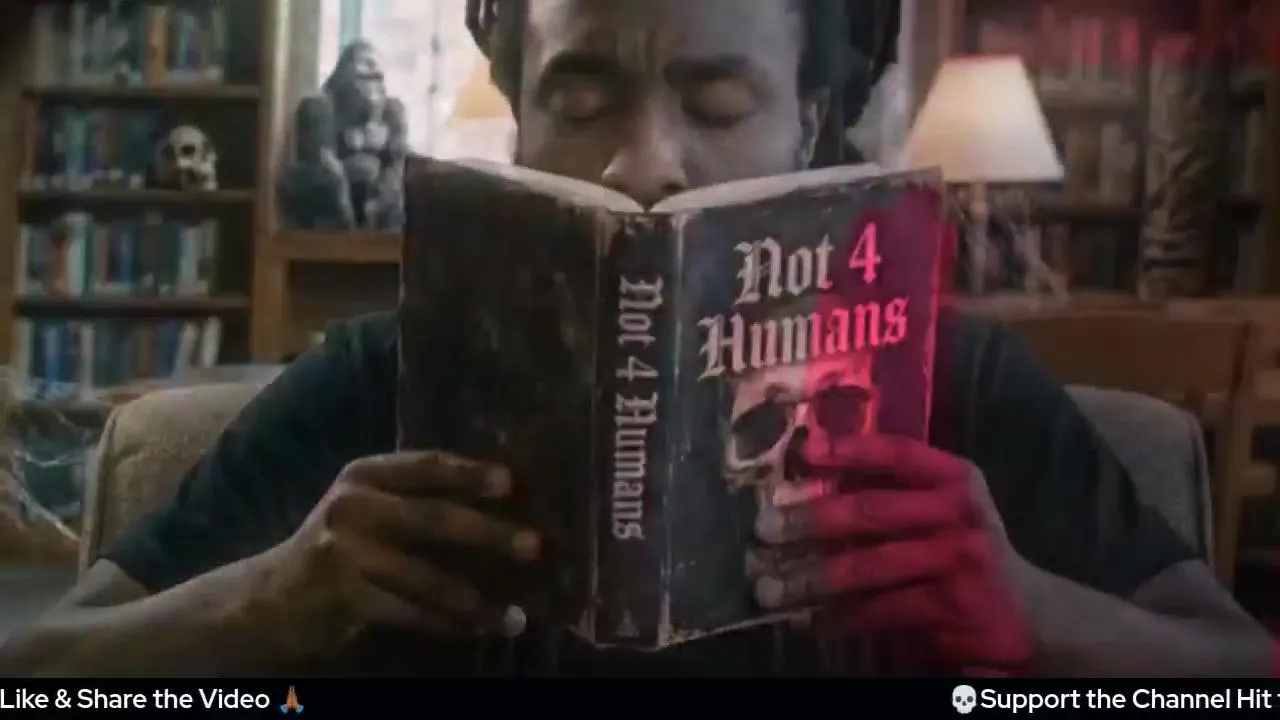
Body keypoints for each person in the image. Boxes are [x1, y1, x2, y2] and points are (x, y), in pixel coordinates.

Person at [0, 0, 1270, 677]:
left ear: (807, 118)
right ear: (517, 105)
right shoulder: (383, 374)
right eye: (581, 91)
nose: (644, 163)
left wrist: (1030, 619)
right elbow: (48, 664)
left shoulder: (955, 379)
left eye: (716, 101)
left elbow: (1233, 665)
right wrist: (272, 603)